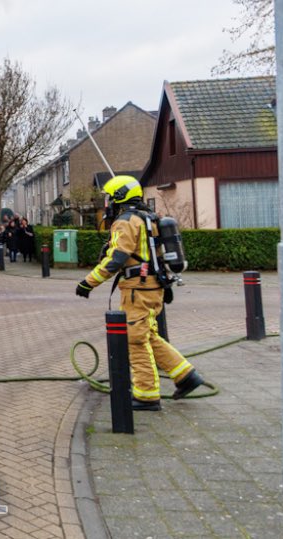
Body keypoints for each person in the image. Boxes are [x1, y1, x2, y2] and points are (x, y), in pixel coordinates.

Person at [75, 175, 204, 411]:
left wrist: (88, 282)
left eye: (109, 197)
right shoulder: (150, 218)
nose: (107, 203)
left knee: (135, 340)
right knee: (149, 335)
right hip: (154, 286)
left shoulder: (125, 222)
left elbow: (116, 258)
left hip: (137, 289)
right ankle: (186, 376)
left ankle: (146, 395)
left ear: (119, 196)